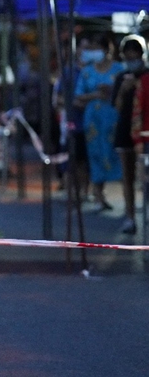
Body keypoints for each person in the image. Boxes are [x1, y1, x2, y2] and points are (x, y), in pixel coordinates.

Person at [74, 33, 123, 211]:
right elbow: (78, 96)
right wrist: (95, 95)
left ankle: (126, 197)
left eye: (96, 48)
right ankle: (98, 195)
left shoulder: (119, 69)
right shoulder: (87, 72)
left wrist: (112, 92)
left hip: (114, 118)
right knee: (95, 155)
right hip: (93, 121)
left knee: (118, 155)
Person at [111, 35, 148, 233]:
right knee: (127, 176)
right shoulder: (121, 78)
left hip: (145, 132)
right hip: (125, 131)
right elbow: (116, 107)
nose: (131, 60)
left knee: (145, 176)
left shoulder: (147, 76)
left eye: (134, 57)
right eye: (128, 57)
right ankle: (130, 216)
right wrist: (124, 90)